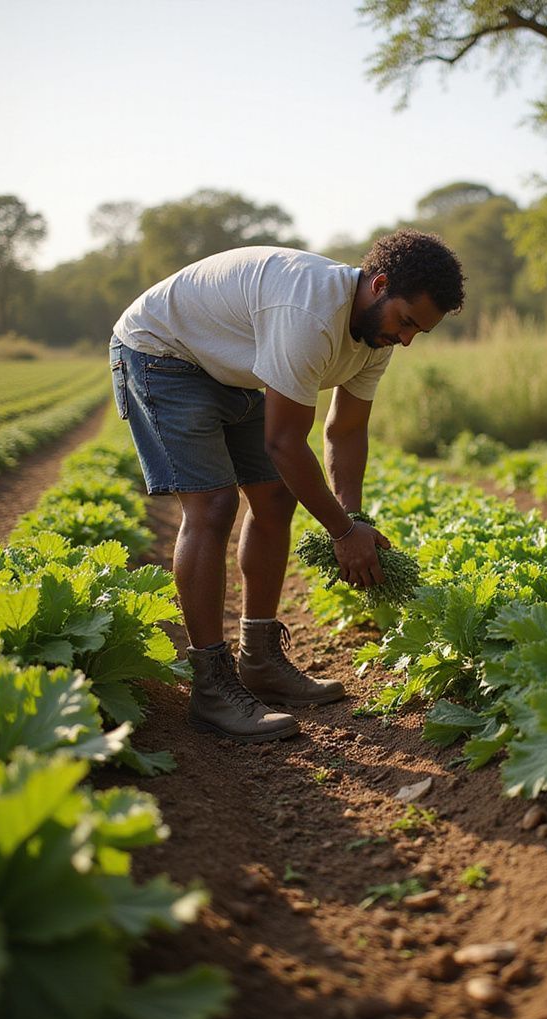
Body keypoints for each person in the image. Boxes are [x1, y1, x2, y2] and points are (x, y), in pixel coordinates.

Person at [109, 230, 465, 743]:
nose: (407, 338)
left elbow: (345, 430)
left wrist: (355, 518)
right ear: (379, 284)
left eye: (418, 332)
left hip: (233, 365)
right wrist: (342, 534)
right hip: (161, 350)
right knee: (212, 505)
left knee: (275, 497)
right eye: (406, 322)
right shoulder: (310, 313)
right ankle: (210, 688)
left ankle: (260, 660)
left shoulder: (376, 335)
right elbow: (284, 442)